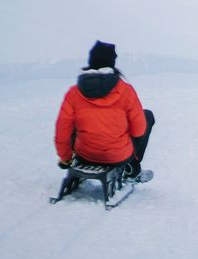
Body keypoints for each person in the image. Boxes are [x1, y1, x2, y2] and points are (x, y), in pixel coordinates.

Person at [54, 40, 154, 179]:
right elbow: (139, 130)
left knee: (73, 122)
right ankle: (132, 167)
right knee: (147, 116)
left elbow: (62, 129)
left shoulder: (74, 92)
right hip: (117, 156)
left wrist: (65, 157)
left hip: (84, 155)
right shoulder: (125, 90)